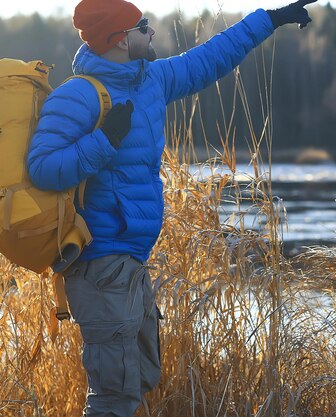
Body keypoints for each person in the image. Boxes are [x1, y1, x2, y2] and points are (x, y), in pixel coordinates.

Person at [26, 0, 317, 415]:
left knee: (138, 379)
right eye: (143, 27)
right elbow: (43, 169)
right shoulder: (78, 96)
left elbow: (211, 57)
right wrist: (104, 141)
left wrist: (269, 20)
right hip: (98, 263)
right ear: (122, 39)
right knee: (113, 395)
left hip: (129, 264)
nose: (152, 32)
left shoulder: (152, 80)